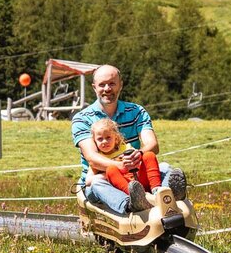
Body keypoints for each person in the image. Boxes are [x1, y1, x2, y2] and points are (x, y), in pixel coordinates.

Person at [72, 64, 187, 214]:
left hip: (134, 174)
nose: (107, 88)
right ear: (94, 88)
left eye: (112, 83)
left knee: (165, 167)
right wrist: (120, 166)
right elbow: (92, 157)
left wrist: (138, 154)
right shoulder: (82, 119)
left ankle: (167, 195)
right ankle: (130, 204)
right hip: (103, 177)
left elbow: (152, 144)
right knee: (96, 183)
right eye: (102, 85)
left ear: (120, 85)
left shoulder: (136, 111)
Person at [87, 118, 163, 211]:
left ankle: (157, 190)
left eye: (108, 137)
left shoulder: (127, 148)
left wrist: (137, 159)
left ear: (116, 138)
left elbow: (140, 163)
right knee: (111, 169)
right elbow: (88, 181)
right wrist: (108, 174)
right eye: (100, 139)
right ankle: (135, 198)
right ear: (95, 141)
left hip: (139, 179)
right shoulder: (99, 158)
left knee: (149, 155)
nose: (104, 141)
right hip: (125, 188)